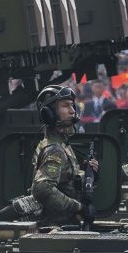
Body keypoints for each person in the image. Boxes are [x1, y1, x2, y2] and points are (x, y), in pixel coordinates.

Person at [32, 85, 99, 227]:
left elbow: (64, 181)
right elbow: (43, 188)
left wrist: (83, 172)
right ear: (49, 113)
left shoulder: (61, 144)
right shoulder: (54, 148)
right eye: (65, 106)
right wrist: (79, 207)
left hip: (64, 225)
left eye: (72, 106)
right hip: (54, 228)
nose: (72, 111)